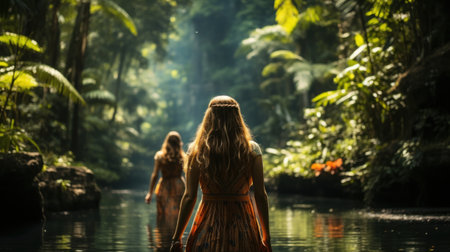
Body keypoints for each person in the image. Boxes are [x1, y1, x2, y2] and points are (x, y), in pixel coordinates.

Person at [170, 96, 272, 252]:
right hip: (244, 226)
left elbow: (190, 196)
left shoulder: (197, 151)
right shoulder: (252, 150)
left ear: (209, 117)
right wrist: (266, 238)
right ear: (237, 118)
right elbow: (260, 195)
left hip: (207, 225)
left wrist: (176, 239)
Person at [146, 131, 186, 229]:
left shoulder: (160, 156)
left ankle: (162, 240)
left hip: (164, 187)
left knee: (162, 215)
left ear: (166, 141)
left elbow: (155, 175)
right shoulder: (183, 157)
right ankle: (177, 239)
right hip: (179, 186)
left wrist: (150, 193)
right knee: (178, 214)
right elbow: (188, 174)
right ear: (179, 143)